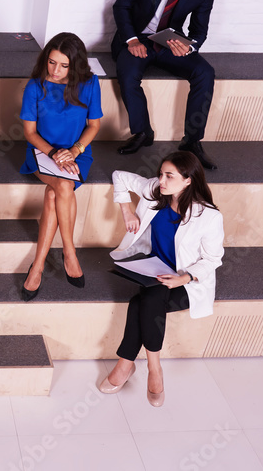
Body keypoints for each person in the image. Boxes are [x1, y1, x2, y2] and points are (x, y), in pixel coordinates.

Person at [99, 151, 224, 407]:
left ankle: (133, 365)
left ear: (188, 180)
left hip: (187, 283)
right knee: (151, 294)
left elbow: (213, 259)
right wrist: (127, 211)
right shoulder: (155, 190)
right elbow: (119, 176)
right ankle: (151, 369)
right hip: (153, 268)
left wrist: (183, 278)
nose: (161, 181)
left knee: (144, 301)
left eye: (169, 176)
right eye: (161, 174)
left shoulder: (209, 216)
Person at [111, 0, 219, 170]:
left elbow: (200, 28)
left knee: (205, 72)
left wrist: (190, 46)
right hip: (137, 36)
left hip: (169, 40)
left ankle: (192, 141)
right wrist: (132, 40)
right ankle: (142, 132)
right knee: (128, 72)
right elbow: (122, 5)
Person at [19, 32, 102, 300]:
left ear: (75, 65)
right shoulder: (35, 86)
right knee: (63, 186)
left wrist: (74, 151)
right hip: (42, 153)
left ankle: (38, 266)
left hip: (78, 153)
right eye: (52, 62)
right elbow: (30, 133)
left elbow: (94, 126)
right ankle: (69, 252)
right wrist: (55, 153)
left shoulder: (90, 84)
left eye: (64, 65)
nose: (55, 71)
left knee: (55, 194)